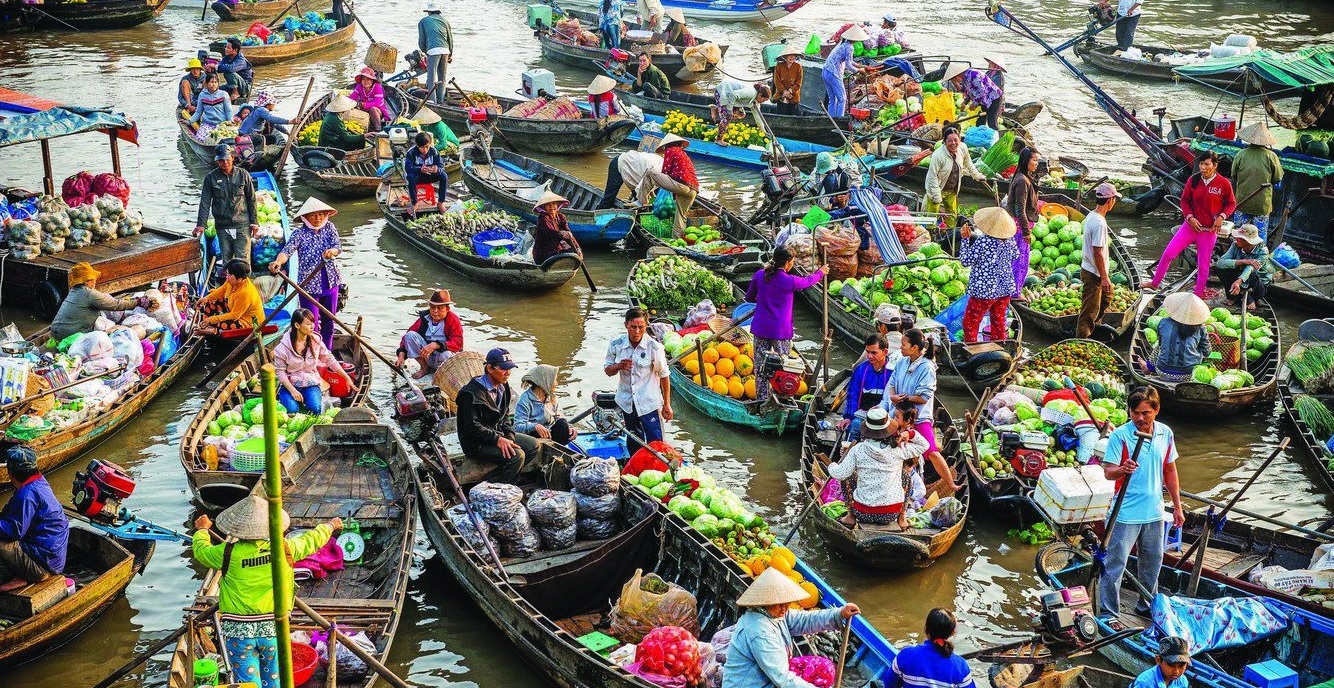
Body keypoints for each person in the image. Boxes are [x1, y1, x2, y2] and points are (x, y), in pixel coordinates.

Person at [192, 496, 340, 688]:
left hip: (238, 632)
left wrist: (203, 530)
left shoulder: (226, 553)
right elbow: (312, 540)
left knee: (248, 683)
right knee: (274, 680)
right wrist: (330, 525)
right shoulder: (285, 548)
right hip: (273, 627)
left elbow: (201, 550)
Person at [1099, 386, 1184, 618]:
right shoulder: (1121, 436)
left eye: (1145, 412)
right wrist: (1122, 469)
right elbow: (1108, 472)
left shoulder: (1165, 433)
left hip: (1154, 512)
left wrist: (1177, 506)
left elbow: (1170, 470)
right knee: (1114, 566)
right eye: (1135, 412)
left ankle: (1146, 606)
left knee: (1152, 565)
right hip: (1125, 513)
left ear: (1156, 410)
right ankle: (1108, 613)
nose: (1139, 418)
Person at [724, 567, 860, 687]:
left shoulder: (776, 615)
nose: (784, 608)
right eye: (779, 604)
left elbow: (805, 620)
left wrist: (839, 613)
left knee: (825, 668)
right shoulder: (759, 631)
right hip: (752, 683)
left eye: (787, 603)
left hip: (766, 675)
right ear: (766, 603)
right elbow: (783, 679)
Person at [1143, 152, 1236, 298]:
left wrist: (1222, 217)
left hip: (1208, 231)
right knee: (1168, 254)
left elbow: (1231, 204)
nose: (1203, 167)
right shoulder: (1193, 180)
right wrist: (1190, 217)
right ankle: (1155, 283)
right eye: (1201, 164)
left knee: (1203, 266)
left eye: (1207, 164)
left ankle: (1198, 294)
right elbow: (1184, 201)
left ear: (1215, 166)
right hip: (1189, 227)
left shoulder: (1224, 183)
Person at [878, 329, 958, 488]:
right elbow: (892, 384)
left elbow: (924, 397)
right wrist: (893, 397)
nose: (900, 347)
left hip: (918, 416)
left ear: (914, 348)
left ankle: (951, 484)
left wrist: (904, 398)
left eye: (903, 344)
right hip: (898, 414)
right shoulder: (902, 362)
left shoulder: (927, 367)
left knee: (932, 453)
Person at [745, 246, 827, 403]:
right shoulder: (789, 281)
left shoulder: (760, 274)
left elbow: (749, 297)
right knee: (785, 366)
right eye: (793, 262)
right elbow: (808, 281)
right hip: (780, 332)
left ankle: (761, 400)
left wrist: (764, 298)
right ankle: (782, 398)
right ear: (788, 263)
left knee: (761, 367)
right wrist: (821, 272)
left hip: (761, 328)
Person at [827, 407, 928, 528]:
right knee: (906, 476)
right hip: (891, 513)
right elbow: (924, 445)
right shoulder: (898, 449)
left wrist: (832, 466)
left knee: (848, 476)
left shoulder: (858, 449)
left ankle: (850, 517)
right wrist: (910, 433)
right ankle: (902, 518)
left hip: (862, 512)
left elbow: (840, 474)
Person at [269, 197, 344, 349]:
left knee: (329, 321)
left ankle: (327, 352)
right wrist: (278, 262)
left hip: (330, 282)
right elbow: (287, 251)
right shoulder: (299, 234)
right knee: (310, 325)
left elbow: (337, 246)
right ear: (305, 217)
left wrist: (332, 252)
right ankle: (313, 355)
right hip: (309, 286)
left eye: (322, 214)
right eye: (313, 215)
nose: (318, 218)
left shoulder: (329, 227)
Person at [457, 348, 540, 484]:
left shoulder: (504, 386)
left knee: (533, 445)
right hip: (476, 442)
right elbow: (472, 428)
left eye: (509, 369)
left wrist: (509, 437)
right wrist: (497, 440)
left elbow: (505, 416)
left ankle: (502, 477)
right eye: (503, 369)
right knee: (517, 456)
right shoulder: (470, 394)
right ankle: (494, 485)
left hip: (497, 434)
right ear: (490, 368)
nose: (508, 373)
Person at [604, 307, 672, 457]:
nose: (636, 331)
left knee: (657, 443)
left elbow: (664, 375)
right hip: (627, 402)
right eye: (633, 326)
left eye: (641, 327)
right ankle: (636, 468)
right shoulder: (616, 344)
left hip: (649, 403)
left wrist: (667, 404)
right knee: (634, 439)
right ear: (626, 325)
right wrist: (619, 366)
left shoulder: (654, 347)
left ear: (646, 326)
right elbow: (608, 370)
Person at [0, 445, 68, 584]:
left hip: (43, 564)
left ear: (10, 473)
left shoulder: (27, 495)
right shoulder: (40, 482)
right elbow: (10, 514)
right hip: (52, 558)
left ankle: (33, 575)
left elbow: (13, 532)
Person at [272, 308, 356, 414]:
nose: (312, 326)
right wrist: (293, 391)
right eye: (308, 323)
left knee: (315, 409)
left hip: (311, 383)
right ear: (297, 325)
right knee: (292, 411)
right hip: (290, 385)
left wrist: (347, 378)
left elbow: (330, 360)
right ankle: (292, 401)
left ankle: (317, 402)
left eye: (313, 322)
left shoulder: (316, 341)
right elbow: (279, 372)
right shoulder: (282, 348)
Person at [959, 207, 1019, 343]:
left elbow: (965, 261)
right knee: (998, 322)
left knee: (970, 322)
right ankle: (1000, 346)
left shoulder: (983, 242)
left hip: (984, 291)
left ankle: (972, 348)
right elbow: (1015, 255)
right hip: (1004, 288)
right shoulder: (1010, 240)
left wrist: (965, 239)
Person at [195, 145, 258, 267]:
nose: (225, 163)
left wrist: (254, 222)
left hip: (242, 224)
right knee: (227, 260)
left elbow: (252, 199)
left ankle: (244, 285)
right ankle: (229, 284)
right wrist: (201, 225)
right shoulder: (210, 178)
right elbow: (205, 203)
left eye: (227, 159)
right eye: (221, 160)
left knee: (243, 261)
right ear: (217, 161)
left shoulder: (243, 174)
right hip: (222, 225)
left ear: (232, 158)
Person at [51, 263, 149, 340]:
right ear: (86, 281)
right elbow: (115, 304)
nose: (95, 281)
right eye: (93, 279)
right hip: (67, 335)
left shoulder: (74, 290)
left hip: (55, 330)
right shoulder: (89, 293)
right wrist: (138, 302)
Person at [887, 609, 977, 688]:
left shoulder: (906, 655)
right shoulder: (961, 666)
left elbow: (889, 684)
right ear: (952, 633)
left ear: (926, 629)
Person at [1079, 182, 1121, 339]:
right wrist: (1104, 276)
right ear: (1110, 201)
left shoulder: (1092, 216)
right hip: (1094, 272)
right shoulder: (1099, 223)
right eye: (1114, 199)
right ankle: (1081, 339)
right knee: (1089, 312)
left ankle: (1094, 329)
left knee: (1107, 297)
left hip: (1091, 268)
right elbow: (1097, 252)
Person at [925, 127, 987, 228]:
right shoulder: (938, 155)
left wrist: (977, 176)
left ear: (959, 140)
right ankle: (930, 234)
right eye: (949, 140)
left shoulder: (962, 148)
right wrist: (937, 196)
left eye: (955, 140)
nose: (953, 143)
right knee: (932, 216)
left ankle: (950, 234)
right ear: (944, 141)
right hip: (937, 188)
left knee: (952, 215)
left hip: (952, 189)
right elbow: (932, 177)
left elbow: (968, 163)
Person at [1230, 121, 1283, 239]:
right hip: (1262, 204)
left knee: (1239, 236)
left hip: (1242, 201)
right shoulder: (1271, 156)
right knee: (1260, 237)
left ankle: (1238, 255)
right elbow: (1277, 178)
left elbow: (1234, 175)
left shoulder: (1241, 154)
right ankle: (1259, 256)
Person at [838, 334, 896, 439]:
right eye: (867, 352)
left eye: (873, 353)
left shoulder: (893, 371)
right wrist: (848, 417)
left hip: (885, 416)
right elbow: (852, 395)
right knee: (853, 429)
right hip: (863, 414)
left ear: (885, 352)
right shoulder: (861, 369)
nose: (869, 356)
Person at [395, 289, 464, 377]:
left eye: (439, 308)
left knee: (446, 355)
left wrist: (436, 345)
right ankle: (424, 367)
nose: (435, 311)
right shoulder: (424, 318)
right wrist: (401, 355)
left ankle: (442, 376)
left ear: (447, 308)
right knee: (410, 335)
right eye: (432, 307)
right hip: (426, 357)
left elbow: (458, 343)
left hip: (443, 359)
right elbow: (407, 338)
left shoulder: (453, 320)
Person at [1006, 147, 1041, 298]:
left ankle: (1013, 289)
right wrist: (1026, 232)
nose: (1036, 163)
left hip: (1019, 225)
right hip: (1020, 227)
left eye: (1037, 160)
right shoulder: (1022, 181)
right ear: (1026, 160)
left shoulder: (1024, 177)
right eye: (1034, 160)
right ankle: (1014, 292)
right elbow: (1019, 209)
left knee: (1017, 259)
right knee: (1020, 261)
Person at [199, 259, 266, 335]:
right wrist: (206, 298)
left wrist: (211, 320)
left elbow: (234, 316)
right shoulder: (231, 281)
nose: (227, 277)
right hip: (232, 309)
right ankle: (204, 324)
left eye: (230, 275)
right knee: (211, 299)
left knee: (224, 324)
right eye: (227, 274)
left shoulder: (245, 293)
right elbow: (222, 290)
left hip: (248, 323)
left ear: (239, 279)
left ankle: (214, 330)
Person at [514, 364, 577, 445]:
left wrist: (570, 427)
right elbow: (517, 427)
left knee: (563, 424)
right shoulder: (525, 400)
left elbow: (558, 417)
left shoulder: (551, 397)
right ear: (545, 381)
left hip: (549, 434)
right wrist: (535, 426)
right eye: (554, 381)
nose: (556, 384)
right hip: (533, 438)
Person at [1152, 292, 1210, 377]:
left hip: (1163, 370)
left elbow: (1161, 344)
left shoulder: (1163, 322)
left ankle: (1149, 367)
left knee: (1157, 347)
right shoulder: (1200, 327)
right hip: (1189, 373)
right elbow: (1207, 352)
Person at [1214, 223, 1271, 305]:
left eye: (1240, 238)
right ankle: (1233, 296)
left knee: (1252, 275)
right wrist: (1243, 261)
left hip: (1257, 285)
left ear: (1248, 241)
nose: (1236, 239)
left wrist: (1238, 282)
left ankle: (1250, 298)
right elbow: (1220, 262)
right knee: (1219, 269)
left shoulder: (1263, 252)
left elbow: (1249, 269)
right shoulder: (1235, 245)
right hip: (1240, 277)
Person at [597, 150, 671, 208]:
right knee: (609, 197)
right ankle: (597, 217)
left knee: (640, 199)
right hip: (620, 163)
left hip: (635, 170)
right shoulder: (658, 170)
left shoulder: (662, 163)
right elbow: (643, 187)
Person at [656, 133, 699, 233]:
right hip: (693, 190)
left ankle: (641, 199)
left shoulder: (671, 150)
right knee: (680, 218)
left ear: (668, 145)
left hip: (682, 186)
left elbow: (665, 172)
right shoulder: (684, 154)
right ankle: (678, 242)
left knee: (649, 173)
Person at [823, 25, 868, 118]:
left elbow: (850, 61)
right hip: (833, 73)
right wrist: (859, 70)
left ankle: (831, 119)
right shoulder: (849, 47)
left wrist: (859, 65)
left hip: (825, 71)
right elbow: (848, 65)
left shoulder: (842, 44)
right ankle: (840, 119)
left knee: (833, 99)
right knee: (842, 99)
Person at [945, 61, 1004, 131]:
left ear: (957, 76)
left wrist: (974, 104)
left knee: (991, 122)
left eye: (954, 80)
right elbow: (970, 92)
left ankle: (998, 138)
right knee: (980, 122)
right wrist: (965, 102)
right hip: (983, 101)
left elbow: (982, 91)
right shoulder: (964, 79)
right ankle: (981, 138)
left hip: (994, 98)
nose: (956, 82)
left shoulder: (973, 75)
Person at [403, 131, 449, 217]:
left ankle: (440, 203)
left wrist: (437, 169)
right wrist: (420, 170)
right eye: (422, 147)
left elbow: (441, 166)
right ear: (417, 146)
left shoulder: (434, 151)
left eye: (427, 147)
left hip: (430, 176)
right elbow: (408, 168)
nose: (425, 150)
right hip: (418, 177)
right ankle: (415, 203)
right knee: (410, 177)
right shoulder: (411, 153)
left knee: (443, 176)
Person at [532, 190, 583, 265]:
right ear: (543, 207)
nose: (552, 207)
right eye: (548, 205)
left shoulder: (561, 217)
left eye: (554, 204)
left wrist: (577, 248)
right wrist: (561, 233)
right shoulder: (543, 218)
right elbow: (549, 232)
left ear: (557, 205)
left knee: (574, 252)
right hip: (543, 254)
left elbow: (569, 235)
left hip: (556, 250)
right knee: (566, 253)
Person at [710, 81, 769, 146]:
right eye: (763, 100)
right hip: (722, 91)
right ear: (760, 95)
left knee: (741, 114)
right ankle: (719, 139)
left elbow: (758, 116)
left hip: (732, 97)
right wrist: (729, 109)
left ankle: (716, 109)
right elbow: (734, 94)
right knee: (727, 117)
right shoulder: (751, 93)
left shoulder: (756, 102)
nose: (762, 102)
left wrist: (763, 131)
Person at [419, 1, 454, 103]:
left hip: (433, 50)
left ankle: (432, 102)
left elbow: (422, 41)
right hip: (446, 50)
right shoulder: (445, 21)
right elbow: (450, 39)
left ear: (428, 12)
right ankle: (441, 101)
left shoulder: (423, 21)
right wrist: (450, 54)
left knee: (431, 79)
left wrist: (426, 51)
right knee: (442, 78)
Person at [349, 67, 389, 132]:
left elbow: (377, 103)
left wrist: (362, 104)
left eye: (368, 79)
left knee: (373, 109)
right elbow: (352, 97)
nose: (365, 82)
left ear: (372, 80)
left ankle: (378, 130)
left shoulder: (377, 87)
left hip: (378, 112)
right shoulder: (359, 86)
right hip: (364, 110)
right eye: (363, 79)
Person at [771, 45, 804, 115]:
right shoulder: (779, 66)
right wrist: (784, 92)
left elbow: (798, 83)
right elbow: (777, 81)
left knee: (793, 116)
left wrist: (789, 92)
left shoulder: (798, 67)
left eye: (794, 55)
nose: (792, 57)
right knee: (780, 115)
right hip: (781, 95)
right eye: (790, 55)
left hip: (793, 96)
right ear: (785, 57)